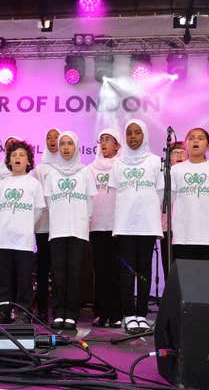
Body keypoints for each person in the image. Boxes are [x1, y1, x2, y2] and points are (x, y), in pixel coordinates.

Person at [109, 119, 163, 335]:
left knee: (144, 268)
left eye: (137, 132)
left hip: (147, 223)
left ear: (145, 136)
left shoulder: (155, 161)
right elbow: (115, 193)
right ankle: (128, 314)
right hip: (125, 224)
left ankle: (141, 314)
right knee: (127, 270)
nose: (133, 136)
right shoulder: (118, 163)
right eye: (129, 132)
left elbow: (159, 193)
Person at [44, 131, 96, 330]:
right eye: (62, 144)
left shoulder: (85, 172)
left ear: (76, 147)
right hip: (57, 229)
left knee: (75, 272)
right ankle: (59, 312)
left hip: (78, 228)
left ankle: (72, 313)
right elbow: (49, 201)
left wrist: (81, 220)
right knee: (58, 272)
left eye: (69, 144)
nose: (65, 148)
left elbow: (90, 202)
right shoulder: (52, 173)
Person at [0, 140, 46, 324]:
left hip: (23, 240)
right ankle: (3, 311)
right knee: (3, 279)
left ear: (29, 161)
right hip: (2, 239)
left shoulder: (34, 184)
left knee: (24, 279)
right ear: (9, 160)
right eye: (14, 155)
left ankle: (23, 312)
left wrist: (26, 226)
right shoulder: (2, 184)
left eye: (22, 155)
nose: (17, 158)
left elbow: (38, 210)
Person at [171, 128, 209, 261]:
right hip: (183, 235)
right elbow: (172, 199)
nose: (195, 140)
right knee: (185, 277)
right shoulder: (176, 169)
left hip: (208, 235)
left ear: (208, 146)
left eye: (200, 138)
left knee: (205, 277)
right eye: (191, 138)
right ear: (186, 145)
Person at [87, 128, 122, 328]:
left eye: (108, 140)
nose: (104, 143)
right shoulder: (90, 169)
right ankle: (101, 312)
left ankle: (117, 313)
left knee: (116, 271)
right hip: (97, 225)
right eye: (102, 140)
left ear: (117, 145)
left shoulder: (122, 166)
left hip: (117, 225)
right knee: (99, 271)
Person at [33, 128, 60, 323]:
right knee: (42, 270)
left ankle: (59, 310)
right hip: (43, 226)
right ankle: (41, 309)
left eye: (56, 137)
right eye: (48, 137)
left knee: (59, 270)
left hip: (61, 227)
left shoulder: (70, 167)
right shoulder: (39, 169)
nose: (52, 140)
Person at [161, 140, 187, 279]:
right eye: (175, 153)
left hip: (187, 228)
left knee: (186, 268)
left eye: (182, 152)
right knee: (170, 268)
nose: (179, 156)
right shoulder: (163, 175)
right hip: (167, 228)